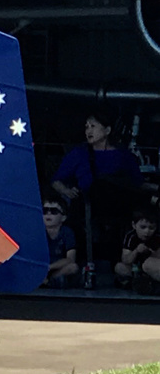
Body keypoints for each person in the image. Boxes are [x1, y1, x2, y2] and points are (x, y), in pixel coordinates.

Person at [51, 111, 144, 268]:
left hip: (119, 203)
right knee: (98, 185)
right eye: (86, 127)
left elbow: (137, 184)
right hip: (89, 202)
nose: (88, 130)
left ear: (107, 130)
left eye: (93, 126)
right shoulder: (79, 153)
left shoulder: (123, 155)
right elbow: (56, 180)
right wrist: (66, 191)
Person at [114, 208, 160, 293]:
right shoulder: (130, 236)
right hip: (136, 269)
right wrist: (136, 251)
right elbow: (125, 259)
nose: (147, 231)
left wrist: (151, 252)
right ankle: (137, 282)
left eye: (151, 228)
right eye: (143, 227)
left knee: (149, 264)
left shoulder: (157, 237)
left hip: (150, 266)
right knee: (119, 267)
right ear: (134, 225)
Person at [41, 196, 79, 289]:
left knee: (73, 267)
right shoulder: (37, 232)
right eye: (45, 211)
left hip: (56, 267)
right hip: (40, 268)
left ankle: (50, 281)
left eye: (54, 211)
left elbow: (70, 259)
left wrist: (50, 267)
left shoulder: (67, 232)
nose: (48, 214)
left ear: (63, 217)